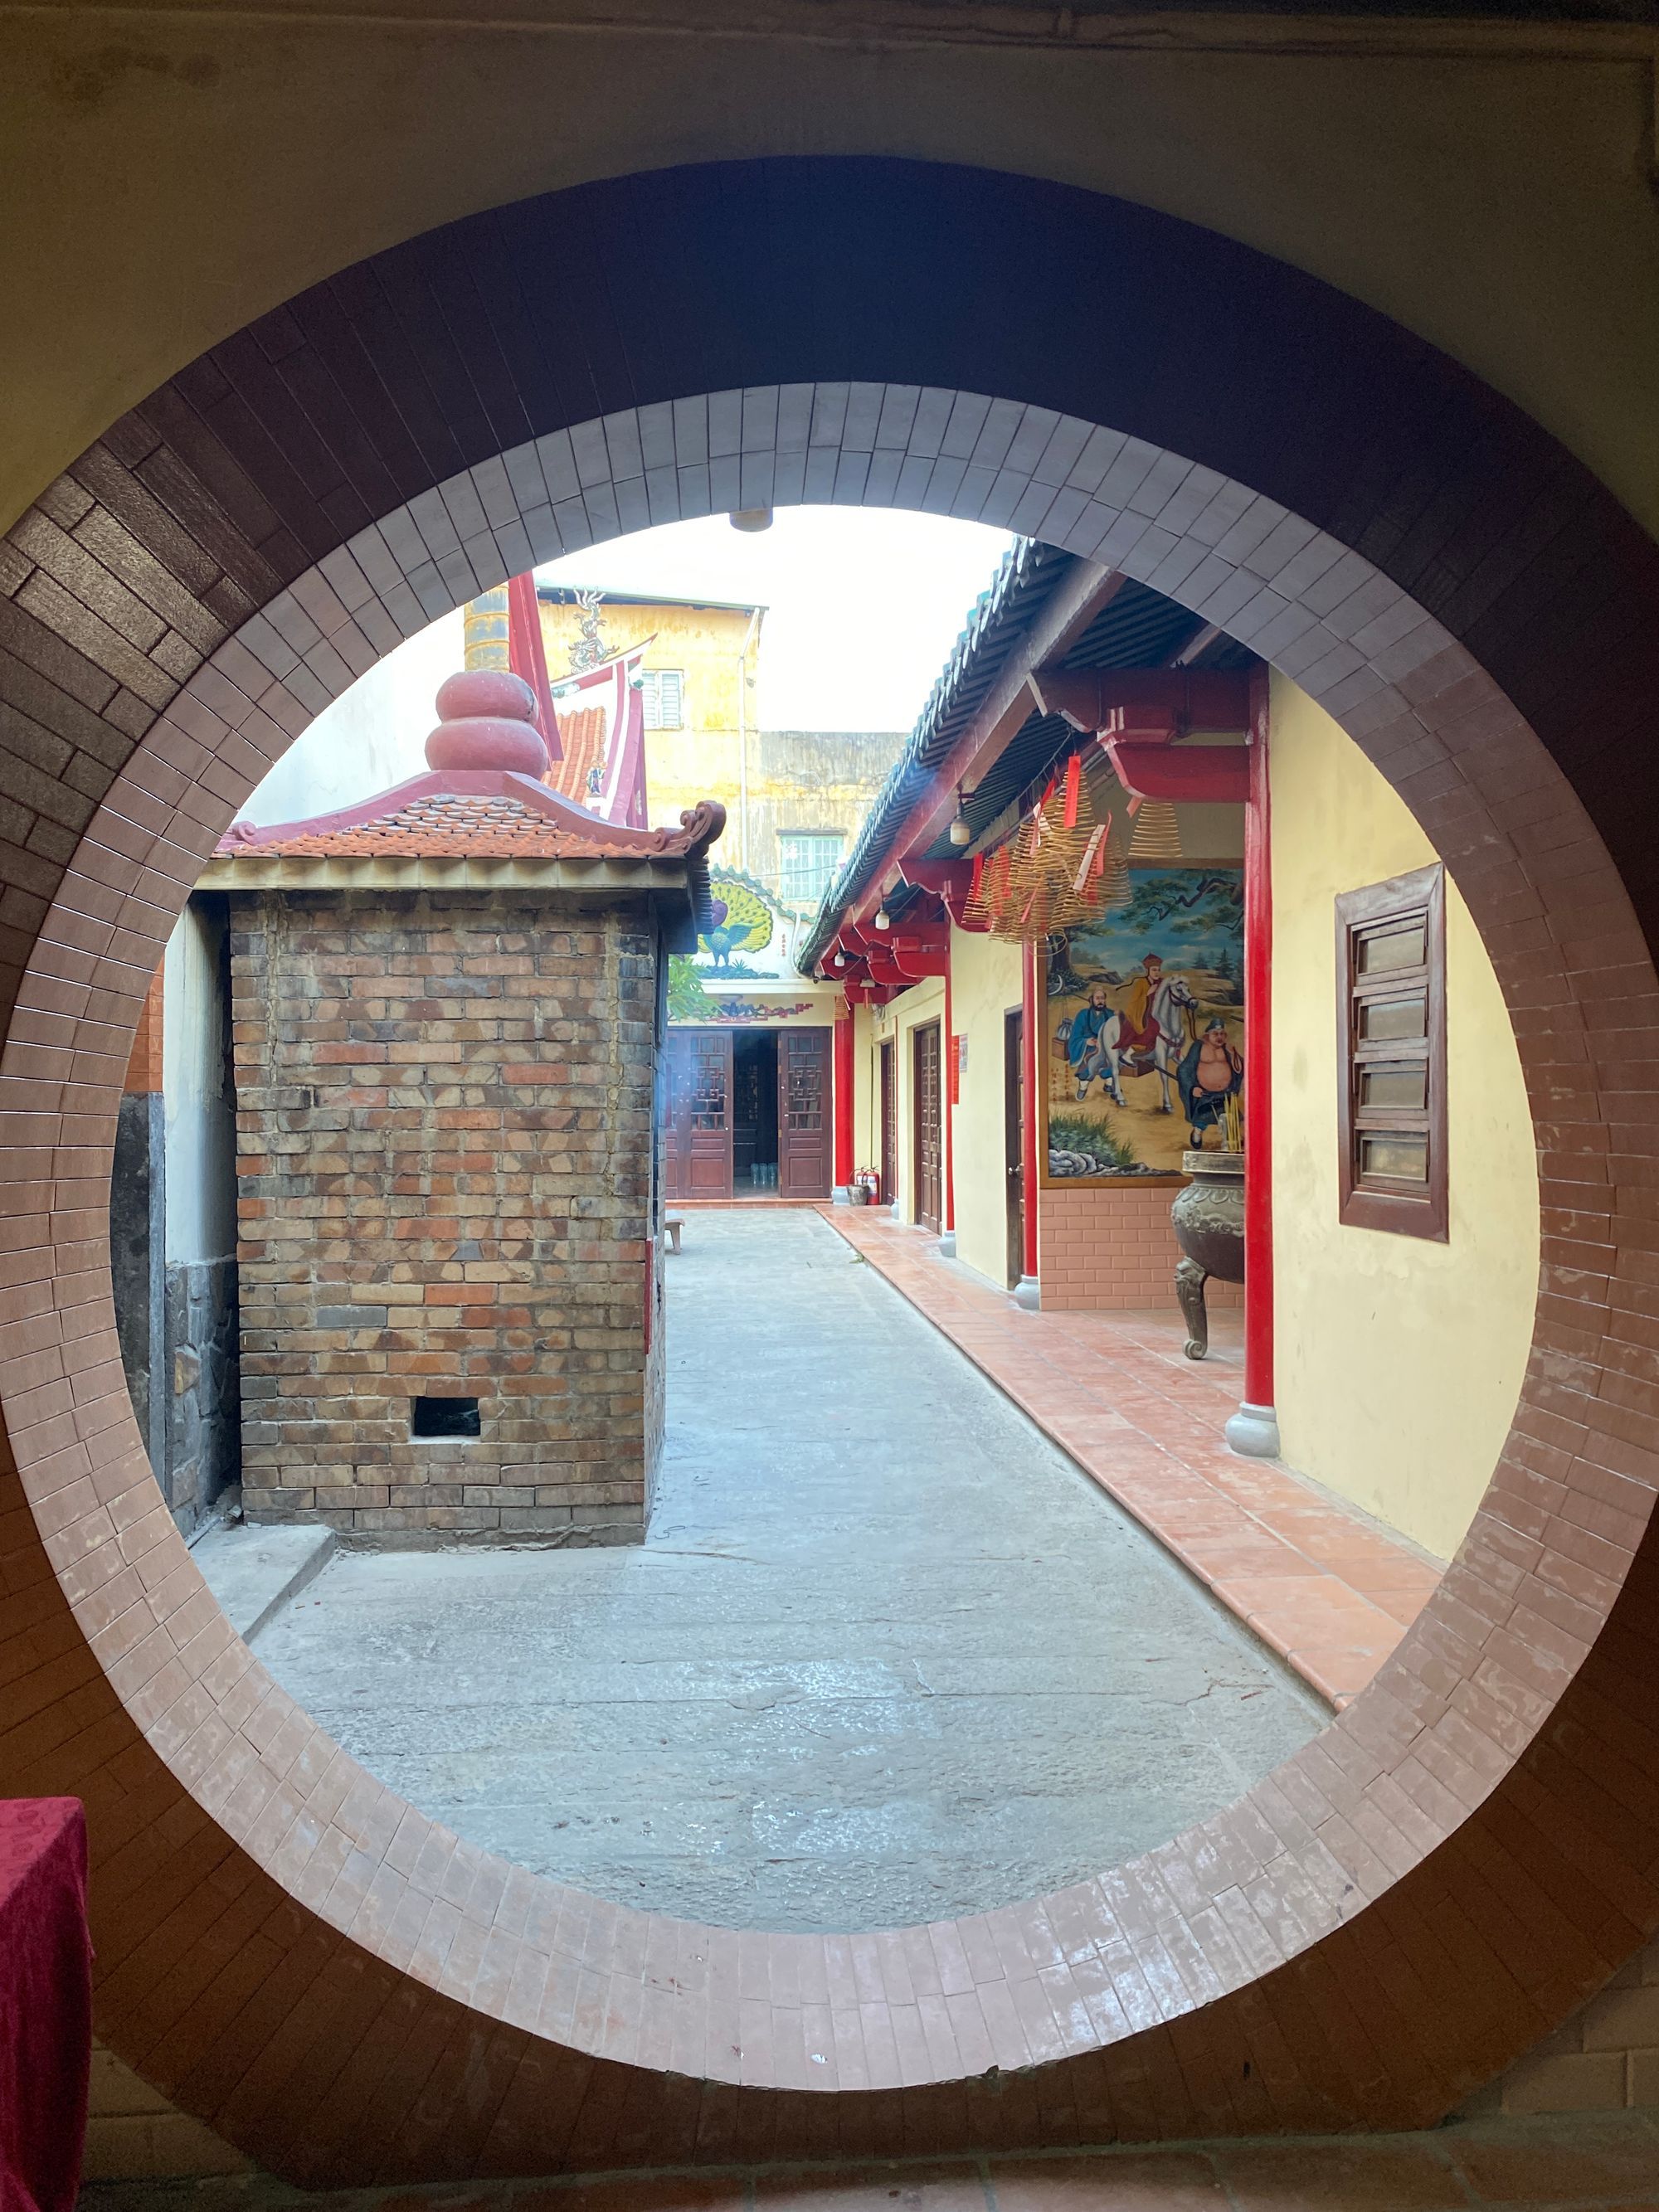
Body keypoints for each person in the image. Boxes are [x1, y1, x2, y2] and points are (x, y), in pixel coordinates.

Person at [1178, 1016, 1243, 1145]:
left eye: (1222, 1034)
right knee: (1201, 1122)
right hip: (1205, 1094)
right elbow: (1184, 1069)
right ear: (1207, 1035)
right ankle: (1197, 1133)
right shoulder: (1198, 1047)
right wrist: (1192, 1088)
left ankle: (1228, 1142)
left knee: (1230, 1119)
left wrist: (1233, 1054)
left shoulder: (1227, 1049)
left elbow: (1239, 1068)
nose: (1219, 1037)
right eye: (1215, 1034)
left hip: (1225, 1094)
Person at [1066, 982, 1118, 1100]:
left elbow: (1115, 1032)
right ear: (1091, 1000)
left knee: (1112, 1064)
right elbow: (1075, 1036)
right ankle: (1083, 1087)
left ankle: (1109, 1084)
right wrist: (1086, 1041)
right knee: (1087, 1068)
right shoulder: (1083, 1014)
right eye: (1097, 998)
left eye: (1102, 998)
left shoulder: (1110, 1014)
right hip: (1089, 1047)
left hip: (1106, 1046)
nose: (1100, 1001)